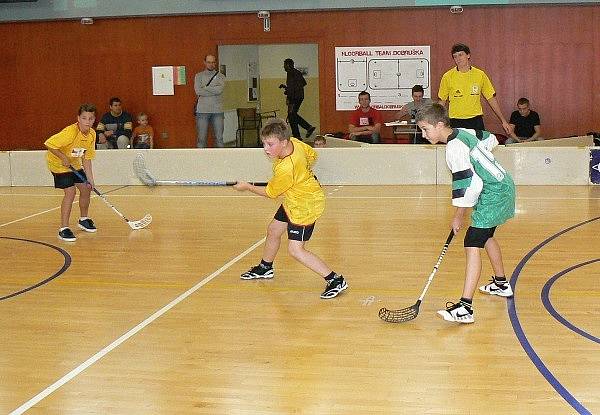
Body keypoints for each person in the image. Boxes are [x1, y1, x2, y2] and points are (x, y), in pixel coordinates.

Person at [415, 103, 515, 324]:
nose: (423, 135)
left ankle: (465, 307)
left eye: (425, 129)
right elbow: (491, 139)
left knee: (472, 242)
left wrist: (459, 215)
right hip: (501, 185)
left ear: (440, 124)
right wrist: (481, 160)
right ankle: (501, 283)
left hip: (494, 194)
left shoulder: (454, 149)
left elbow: (470, 184)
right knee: (485, 235)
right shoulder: (463, 132)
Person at [233, 118, 347, 299]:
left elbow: (270, 193)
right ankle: (265, 268)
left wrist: (247, 186)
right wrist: (303, 176)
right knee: (273, 230)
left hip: (304, 207)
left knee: (295, 250)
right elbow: (312, 156)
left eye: (270, 144)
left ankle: (335, 279)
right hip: (294, 198)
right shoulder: (296, 143)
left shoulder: (287, 168)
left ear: (283, 142)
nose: (266, 149)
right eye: (264, 144)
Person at [45, 103, 98, 242]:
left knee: (86, 189)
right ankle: (64, 229)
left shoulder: (92, 134)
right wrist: (63, 157)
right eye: (84, 118)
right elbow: (49, 144)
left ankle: (83, 219)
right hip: (58, 164)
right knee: (70, 191)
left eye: (91, 118)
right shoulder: (70, 133)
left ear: (94, 119)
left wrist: (90, 180)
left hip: (73, 163)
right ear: (78, 119)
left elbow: (87, 158)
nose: (87, 121)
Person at [438, 43, 511, 135]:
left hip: (476, 121)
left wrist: (503, 121)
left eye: (461, 55)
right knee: (459, 149)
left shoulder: (480, 75)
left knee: (479, 148)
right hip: (455, 121)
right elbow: (442, 102)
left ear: (468, 55)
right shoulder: (447, 76)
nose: (458, 59)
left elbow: (491, 98)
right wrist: (438, 122)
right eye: (455, 56)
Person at [194, 54, 225, 148]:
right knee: (201, 139)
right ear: (204, 63)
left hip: (218, 111)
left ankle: (221, 161)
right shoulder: (198, 76)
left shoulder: (221, 76)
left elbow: (219, 90)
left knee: (219, 139)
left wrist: (206, 87)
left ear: (215, 63)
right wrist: (213, 90)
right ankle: (200, 161)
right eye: (209, 62)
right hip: (202, 111)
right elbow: (198, 91)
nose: (211, 64)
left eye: (213, 62)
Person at [280, 58, 316, 140]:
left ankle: (302, 131)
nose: (284, 67)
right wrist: (287, 88)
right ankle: (299, 134)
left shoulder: (291, 73)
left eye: (285, 65)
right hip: (298, 97)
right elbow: (302, 83)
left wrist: (288, 94)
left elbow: (293, 87)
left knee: (292, 115)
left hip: (294, 98)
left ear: (288, 65)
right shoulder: (296, 72)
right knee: (292, 115)